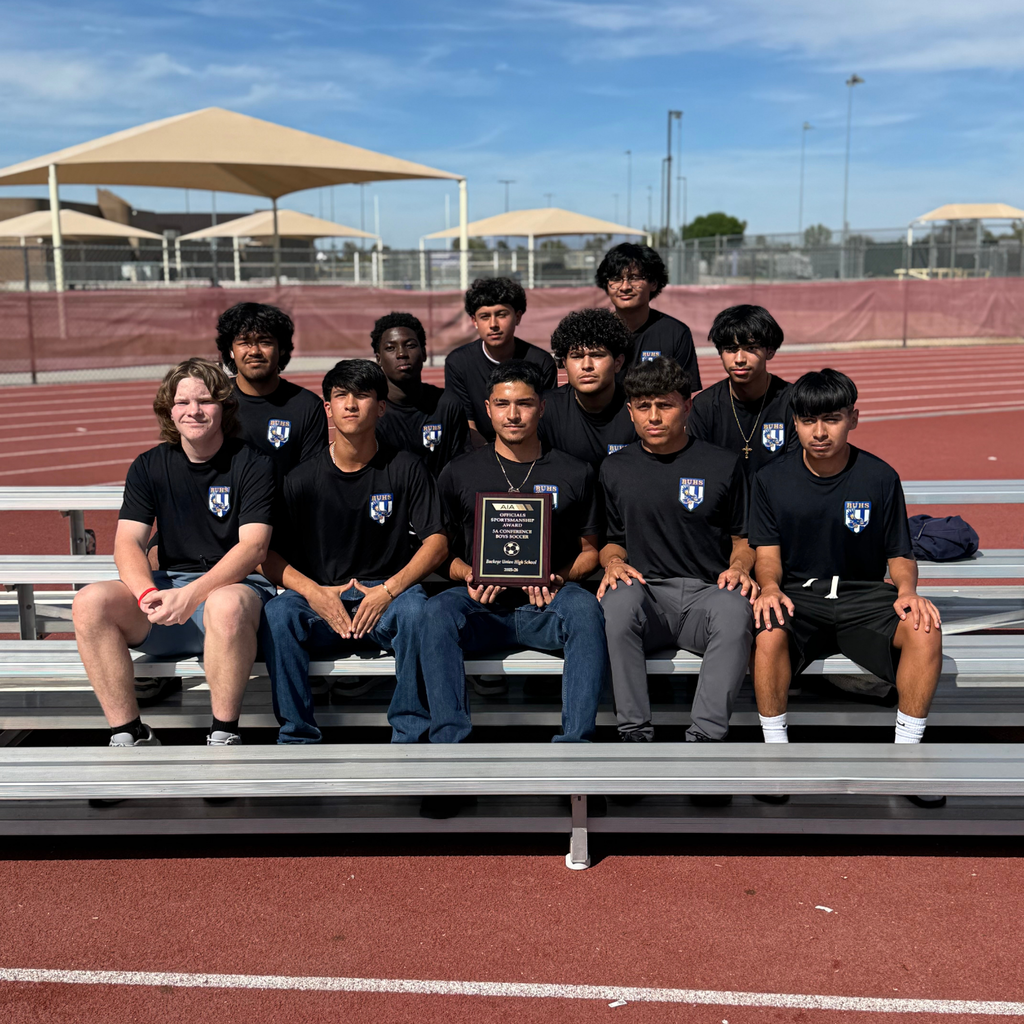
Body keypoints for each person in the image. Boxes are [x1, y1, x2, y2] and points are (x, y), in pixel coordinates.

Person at [748, 370, 944, 806]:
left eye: (832, 419)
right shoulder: (770, 479)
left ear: (853, 419)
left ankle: (907, 760)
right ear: (794, 422)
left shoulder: (879, 476)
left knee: (925, 628)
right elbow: (767, 556)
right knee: (767, 628)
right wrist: (769, 588)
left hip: (862, 595)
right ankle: (775, 759)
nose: (819, 432)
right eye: (808, 420)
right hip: (800, 595)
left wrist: (907, 591)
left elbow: (899, 554)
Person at [72, 359, 276, 747]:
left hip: (236, 594)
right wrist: (148, 595)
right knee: (89, 601)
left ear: (224, 406)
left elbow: (253, 547)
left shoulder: (254, 464)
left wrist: (192, 595)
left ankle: (224, 734)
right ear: (169, 409)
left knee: (226, 605)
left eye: (205, 400)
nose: (193, 410)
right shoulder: (149, 466)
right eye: (182, 402)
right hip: (170, 597)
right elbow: (128, 543)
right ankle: (128, 732)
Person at [261, 360, 448, 743]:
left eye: (362, 395)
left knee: (418, 611)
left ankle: (411, 735)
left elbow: (438, 542)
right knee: (278, 613)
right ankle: (297, 737)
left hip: (388, 597)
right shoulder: (300, 479)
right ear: (327, 408)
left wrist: (388, 591)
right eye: (340, 396)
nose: (350, 405)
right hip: (323, 599)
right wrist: (314, 594)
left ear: (381, 407)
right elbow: (269, 556)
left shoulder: (406, 467)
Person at [422, 360, 606, 743]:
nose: (513, 414)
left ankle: (577, 749)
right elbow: (440, 550)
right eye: (503, 404)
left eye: (524, 403)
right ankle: (449, 750)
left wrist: (561, 576)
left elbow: (590, 552)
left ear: (542, 407)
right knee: (437, 611)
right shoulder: (459, 472)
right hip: (482, 608)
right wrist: (466, 574)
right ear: (488, 409)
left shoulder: (575, 471)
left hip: (548, 603)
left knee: (586, 610)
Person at [598, 356, 755, 744]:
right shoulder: (614, 468)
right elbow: (611, 538)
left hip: (706, 596)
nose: (654, 416)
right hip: (647, 596)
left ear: (686, 405)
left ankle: (705, 739)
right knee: (616, 603)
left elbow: (743, 537)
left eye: (665, 405)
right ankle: (634, 733)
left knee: (736, 609)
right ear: (630, 411)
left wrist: (739, 567)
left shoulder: (724, 464)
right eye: (643, 406)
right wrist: (614, 562)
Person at [215, 302, 328, 477]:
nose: (254, 351)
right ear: (231, 350)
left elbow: (311, 480)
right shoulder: (214, 399)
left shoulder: (307, 406)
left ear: (281, 349)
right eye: (244, 342)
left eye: (264, 342)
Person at [687, 304, 796, 477]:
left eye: (751, 348)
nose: (739, 359)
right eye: (730, 349)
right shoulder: (705, 406)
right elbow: (699, 469)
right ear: (720, 352)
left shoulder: (793, 402)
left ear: (770, 351)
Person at [444, 277, 556, 445]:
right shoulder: (458, 363)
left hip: (528, 446)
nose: (493, 324)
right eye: (484, 316)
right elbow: (466, 423)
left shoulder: (541, 362)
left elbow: (545, 420)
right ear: (474, 321)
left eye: (501, 315)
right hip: (480, 450)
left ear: (517, 317)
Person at [371, 311, 469, 475]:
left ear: (424, 353)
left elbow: (462, 464)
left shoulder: (448, 404)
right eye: (390, 348)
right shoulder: (371, 411)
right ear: (379, 359)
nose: (401, 354)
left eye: (410, 345)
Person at [538, 308, 637, 467]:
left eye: (597, 355)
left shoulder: (640, 407)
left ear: (618, 363)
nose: (586, 366)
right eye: (576, 357)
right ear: (564, 364)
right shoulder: (544, 409)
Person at [595, 243, 701, 388]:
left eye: (634, 278)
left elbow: (682, 398)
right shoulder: (595, 333)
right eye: (616, 278)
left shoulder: (676, 333)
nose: (625, 287)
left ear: (654, 283)